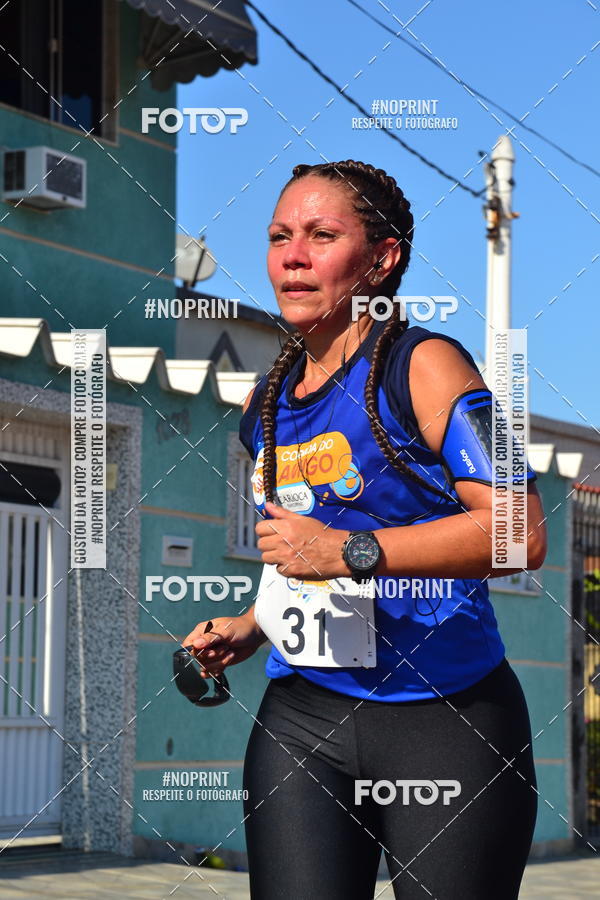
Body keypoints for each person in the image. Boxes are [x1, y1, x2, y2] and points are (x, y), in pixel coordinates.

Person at [183, 159, 547, 899]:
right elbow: (299, 551)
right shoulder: (267, 404)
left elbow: (520, 532)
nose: (292, 255)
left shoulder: (431, 366)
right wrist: (252, 627)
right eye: (280, 235)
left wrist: (348, 553)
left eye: (322, 235)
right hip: (303, 722)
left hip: (447, 720)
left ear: (381, 260)